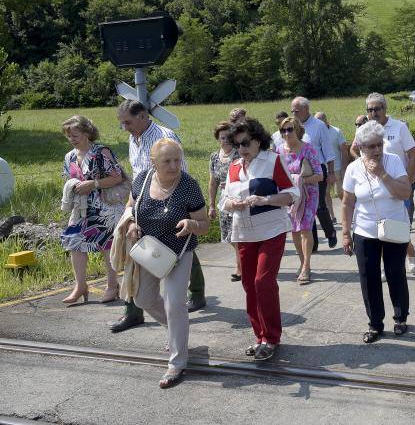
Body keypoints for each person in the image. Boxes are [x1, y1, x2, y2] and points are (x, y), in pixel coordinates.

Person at [112, 100, 206, 333]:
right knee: (144, 264)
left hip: (173, 203)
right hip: (145, 205)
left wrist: (181, 208)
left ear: (143, 116)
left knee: (182, 250)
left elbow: (179, 172)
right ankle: (133, 312)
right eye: (122, 123)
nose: (125, 127)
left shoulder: (165, 136)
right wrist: (131, 213)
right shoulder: (134, 138)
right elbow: (138, 178)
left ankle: (196, 294)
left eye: (128, 122)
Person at [126, 138, 210, 388]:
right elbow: (130, 208)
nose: (174, 166)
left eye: (177, 160)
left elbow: (205, 225)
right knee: (142, 299)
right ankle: (177, 331)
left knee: (175, 303)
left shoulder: (189, 185)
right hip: (150, 251)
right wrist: (131, 224)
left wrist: (192, 224)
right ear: (154, 163)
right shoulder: (141, 181)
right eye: (167, 161)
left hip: (179, 253)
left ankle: (177, 363)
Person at [223, 118, 298, 361]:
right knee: (248, 285)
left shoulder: (273, 160)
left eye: (246, 143)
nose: (242, 149)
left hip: (272, 231)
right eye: (237, 145)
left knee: (263, 282)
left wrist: (265, 200)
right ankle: (260, 336)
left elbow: (291, 195)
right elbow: (224, 202)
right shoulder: (234, 166)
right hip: (244, 233)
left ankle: (272, 337)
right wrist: (232, 204)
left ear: (258, 140)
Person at [341, 120, 412, 344]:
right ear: (361, 148)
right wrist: (345, 233)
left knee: (395, 272)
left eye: (379, 144)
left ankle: (400, 317)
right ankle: (375, 323)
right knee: (368, 277)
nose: (376, 150)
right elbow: (347, 202)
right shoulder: (353, 169)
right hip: (364, 229)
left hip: (394, 225)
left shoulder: (394, 161)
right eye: (370, 146)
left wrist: (382, 174)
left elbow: (405, 193)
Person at [60, 115, 126, 304]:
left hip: (104, 206)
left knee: (107, 246)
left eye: (76, 135)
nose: (72, 139)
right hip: (81, 208)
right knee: (74, 242)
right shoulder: (69, 156)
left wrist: (94, 183)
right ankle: (80, 286)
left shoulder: (101, 152)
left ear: (87, 133)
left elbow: (117, 177)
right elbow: (69, 178)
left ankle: (112, 286)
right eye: (69, 136)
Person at [350, 93, 415, 273]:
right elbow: (353, 148)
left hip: (398, 184)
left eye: (377, 109)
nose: (373, 113)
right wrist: (363, 164)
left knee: (399, 227)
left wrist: (409, 179)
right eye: (370, 110)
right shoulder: (363, 130)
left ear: (385, 109)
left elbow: (413, 154)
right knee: (378, 226)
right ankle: (383, 267)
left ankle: (409, 251)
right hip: (372, 186)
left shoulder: (399, 127)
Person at [278, 116, 323, 284]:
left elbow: (319, 175)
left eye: (290, 129)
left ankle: (306, 266)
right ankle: (302, 262)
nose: (287, 133)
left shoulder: (308, 149)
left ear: (297, 130)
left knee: (305, 228)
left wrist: (300, 179)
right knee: (294, 230)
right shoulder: (279, 150)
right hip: (289, 195)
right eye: (283, 130)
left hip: (309, 194)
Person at [290, 97, 337, 250]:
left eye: (296, 111)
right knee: (305, 207)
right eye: (292, 111)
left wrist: (330, 172)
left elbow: (328, 151)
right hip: (300, 173)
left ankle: (330, 233)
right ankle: (313, 244)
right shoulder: (292, 127)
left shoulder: (319, 126)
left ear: (306, 109)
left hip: (318, 170)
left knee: (319, 206)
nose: (294, 113)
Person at [208, 121, 240, 282]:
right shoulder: (214, 157)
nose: (225, 140)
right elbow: (212, 183)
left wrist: (231, 184)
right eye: (222, 137)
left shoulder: (239, 154)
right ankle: (243, 261)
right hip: (223, 201)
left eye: (228, 137)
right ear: (218, 139)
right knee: (229, 235)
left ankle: (239, 266)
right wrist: (212, 205)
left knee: (238, 234)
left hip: (239, 200)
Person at [315, 111, 348, 223]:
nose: (318, 122)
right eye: (316, 120)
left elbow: (343, 149)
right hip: (322, 169)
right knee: (325, 194)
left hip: (337, 167)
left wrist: (344, 167)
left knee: (340, 192)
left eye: (320, 119)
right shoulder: (315, 133)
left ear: (325, 119)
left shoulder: (336, 131)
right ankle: (332, 216)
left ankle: (349, 211)